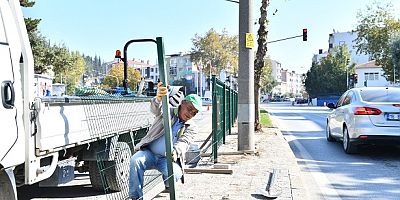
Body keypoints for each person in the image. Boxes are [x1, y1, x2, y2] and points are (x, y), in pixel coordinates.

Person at [128, 82, 202, 200]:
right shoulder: (168, 112)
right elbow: (156, 109)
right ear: (182, 103)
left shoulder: (192, 127)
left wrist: (175, 151)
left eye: (194, 113)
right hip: (149, 153)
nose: (190, 114)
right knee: (135, 160)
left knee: (176, 174)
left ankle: (168, 183)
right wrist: (158, 99)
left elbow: (184, 142)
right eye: (189, 109)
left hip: (166, 159)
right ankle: (136, 197)